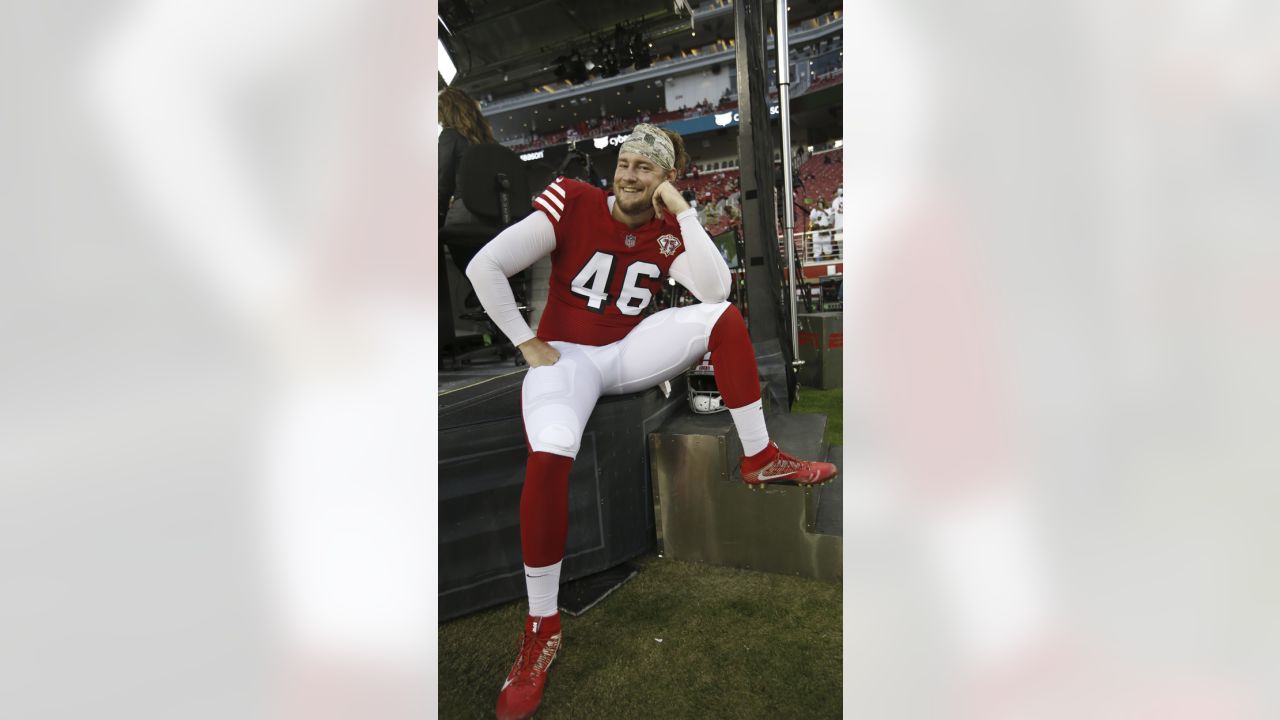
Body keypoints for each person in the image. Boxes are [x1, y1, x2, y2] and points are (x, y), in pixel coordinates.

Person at [466, 123, 838, 720]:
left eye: (646, 167)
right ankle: (542, 625)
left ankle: (759, 456)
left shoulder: (670, 226)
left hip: (631, 351)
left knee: (722, 317)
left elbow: (717, 289)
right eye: (625, 162)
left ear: (665, 178)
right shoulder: (572, 199)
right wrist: (526, 341)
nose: (629, 175)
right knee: (553, 449)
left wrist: (683, 211)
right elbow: (485, 265)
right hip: (571, 357)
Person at [438, 85, 497, 273]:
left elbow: (442, 183)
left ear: (446, 111)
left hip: (468, 222)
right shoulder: (487, 140)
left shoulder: (450, 136)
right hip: (496, 219)